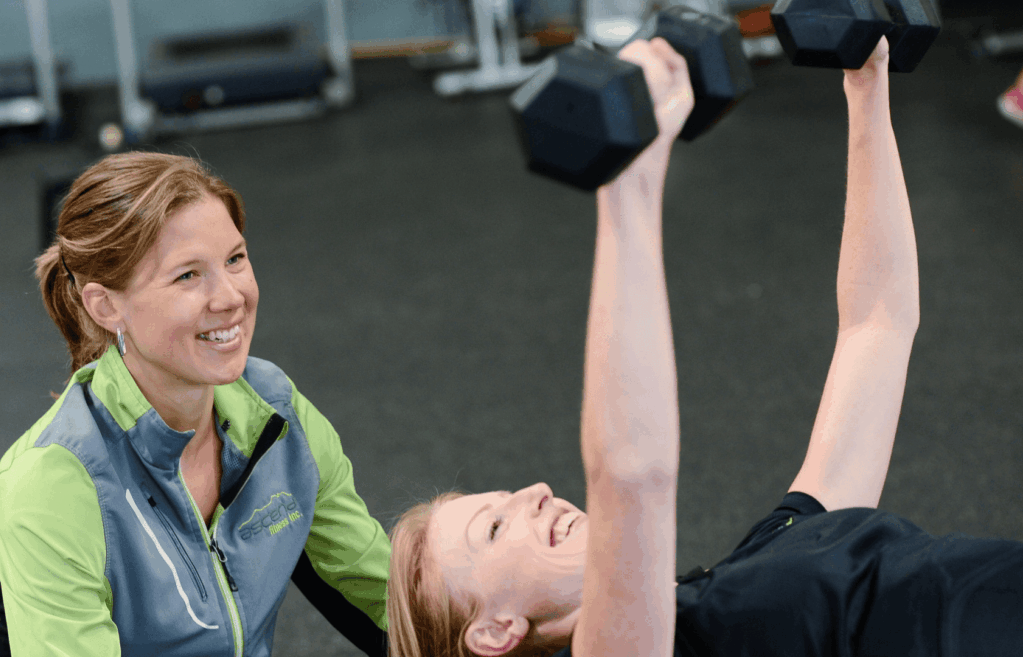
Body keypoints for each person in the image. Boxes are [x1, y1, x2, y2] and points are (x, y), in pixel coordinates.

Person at [387, 35, 1023, 657]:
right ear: (495, 632)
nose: (533, 491)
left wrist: (866, 85)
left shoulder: (760, 565)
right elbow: (632, 479)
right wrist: (628, 183)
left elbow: (877, 327)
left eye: (505, 497)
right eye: (494, 528)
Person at [0, 152, 391, 657]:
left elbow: (384, 596)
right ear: (106, 306)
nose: (231, 297)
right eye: (188, 276)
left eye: (235, 259)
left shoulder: (277, 416)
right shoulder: (54, 484)